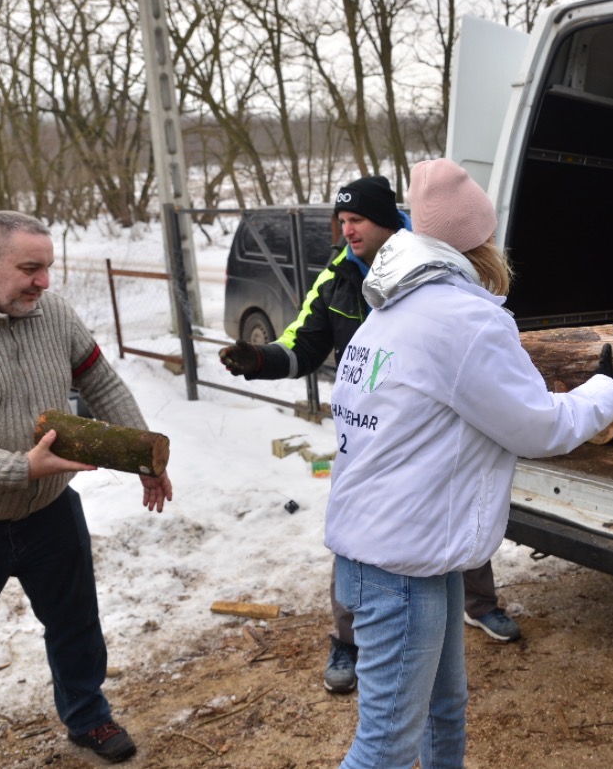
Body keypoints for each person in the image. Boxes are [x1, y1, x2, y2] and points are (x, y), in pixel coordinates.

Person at [325, 157, 613, 768]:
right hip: (403, 563)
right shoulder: (464, 320)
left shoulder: (390, 308)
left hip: (380, 549)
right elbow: (539, 426)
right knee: (383, 747)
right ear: (480, 239)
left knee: (442, 711)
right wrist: (608, 388)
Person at [217, 176, 522, 698]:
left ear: (387, 221)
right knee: (357, 531)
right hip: (369, 437)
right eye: (342, 220)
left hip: (433, 426)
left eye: (356, 220)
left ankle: (480, 606)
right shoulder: (337, 277)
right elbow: (303, 344)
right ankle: (347, 640)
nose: (346, 229)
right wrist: (261, 360)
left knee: (456, 504)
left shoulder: (434, 267)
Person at [0, 211, 174, 767]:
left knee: (76, 623)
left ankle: (88, 717)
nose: (45, 282)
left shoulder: (50, 311)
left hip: (48, 512)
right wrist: (21, 468)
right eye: (30, 269)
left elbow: (99, 379)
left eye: (48, 268)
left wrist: (142, 454)